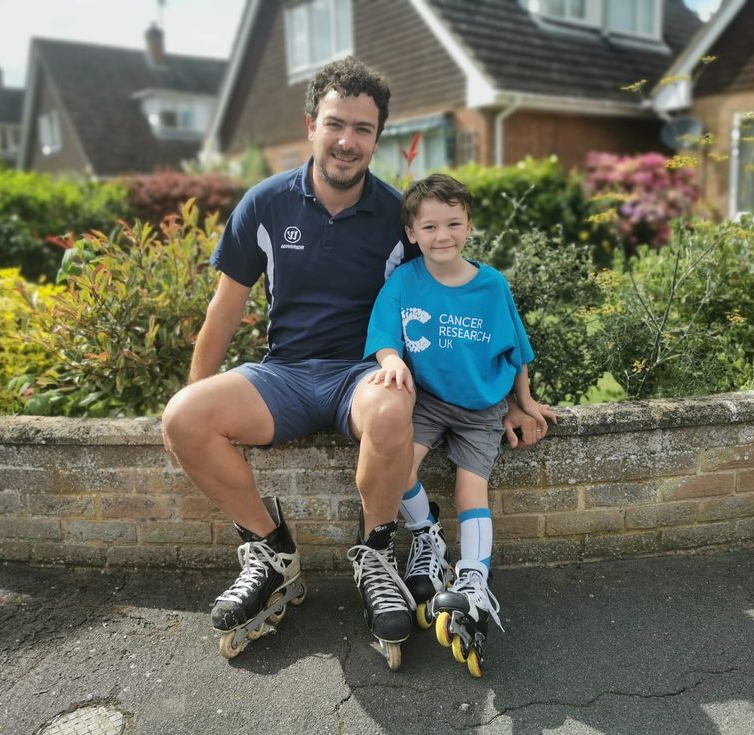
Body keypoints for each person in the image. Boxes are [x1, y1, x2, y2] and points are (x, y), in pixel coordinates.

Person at [161, 57, 552, 667]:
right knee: (183, 417)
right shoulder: (263, 205)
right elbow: (224, 309)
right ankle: (271, 553)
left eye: (363, 129)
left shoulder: (399, 219)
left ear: (378, 138)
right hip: (283, 373)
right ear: (311, 124)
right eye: (335, 124)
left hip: (362, 373)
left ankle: (376, 556)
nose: (347, 141)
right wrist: (196, 397)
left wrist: (507, 398)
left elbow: (461, 306)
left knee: (395, 406)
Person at [363, 173, 556, 676]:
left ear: (469, 226)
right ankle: (426, 533)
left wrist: (524, 402)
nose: (442, 235)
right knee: (399, 466)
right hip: (425, 400)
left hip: (480, 410)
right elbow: (385, 335)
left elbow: (516, 352)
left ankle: (473, 580)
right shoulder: (404, 282)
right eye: (430, 226)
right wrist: (391, 359)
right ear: (412, 233)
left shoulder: (491, 285)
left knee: (473, 492)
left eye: (453, 223)